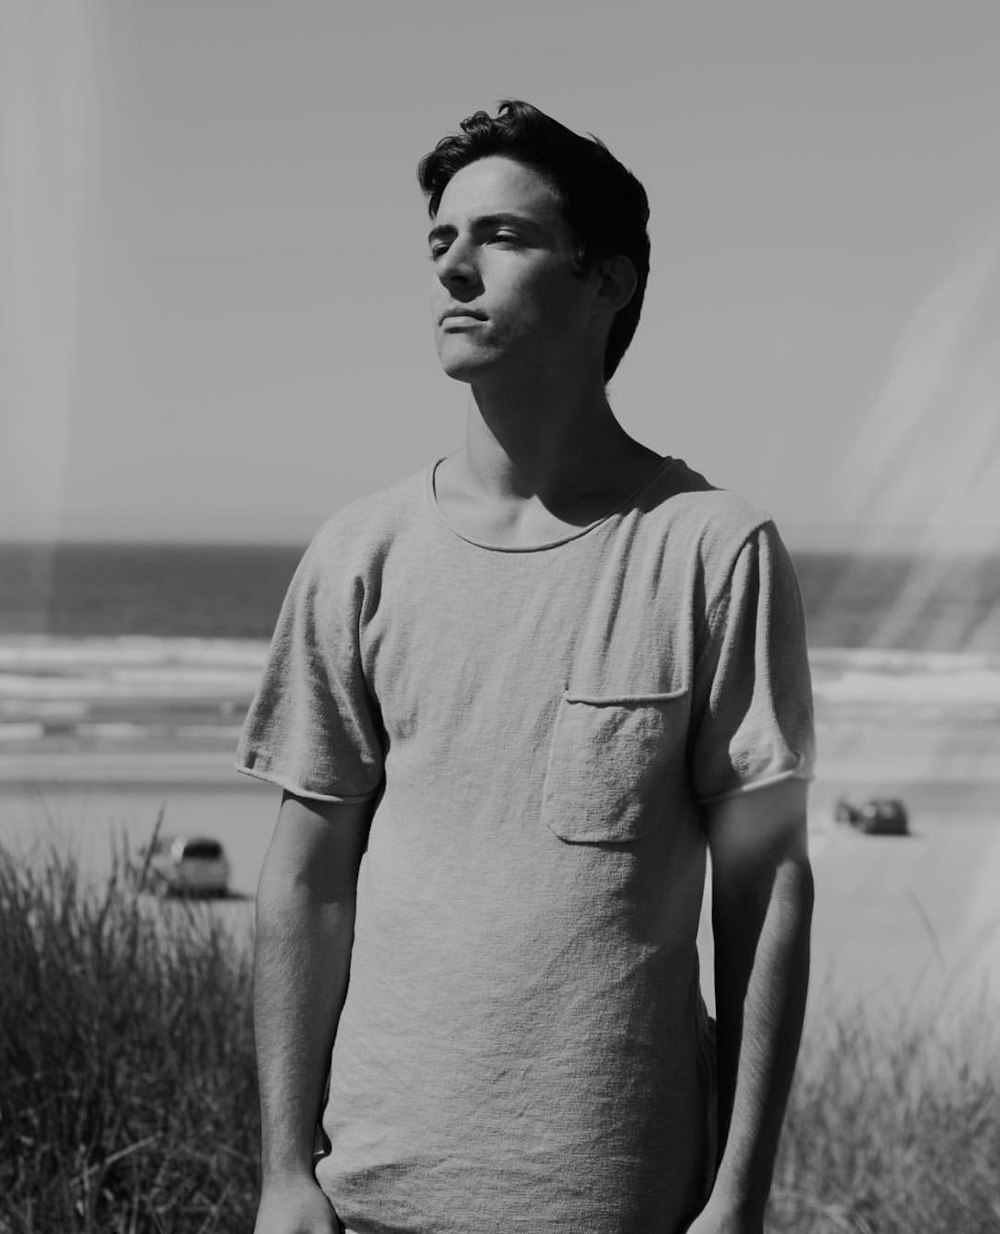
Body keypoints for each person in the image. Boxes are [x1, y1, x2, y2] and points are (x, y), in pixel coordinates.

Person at [238, 99, 815, 1234]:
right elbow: (305, 881)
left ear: (608, 282)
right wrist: (281, 1175)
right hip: (365, 1200)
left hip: (618, 1201)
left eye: (500, 236)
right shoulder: (362, 553)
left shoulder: (710, 549)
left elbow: (766, 888)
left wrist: (739, 1196)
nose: (453, 266)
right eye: (439, 241)